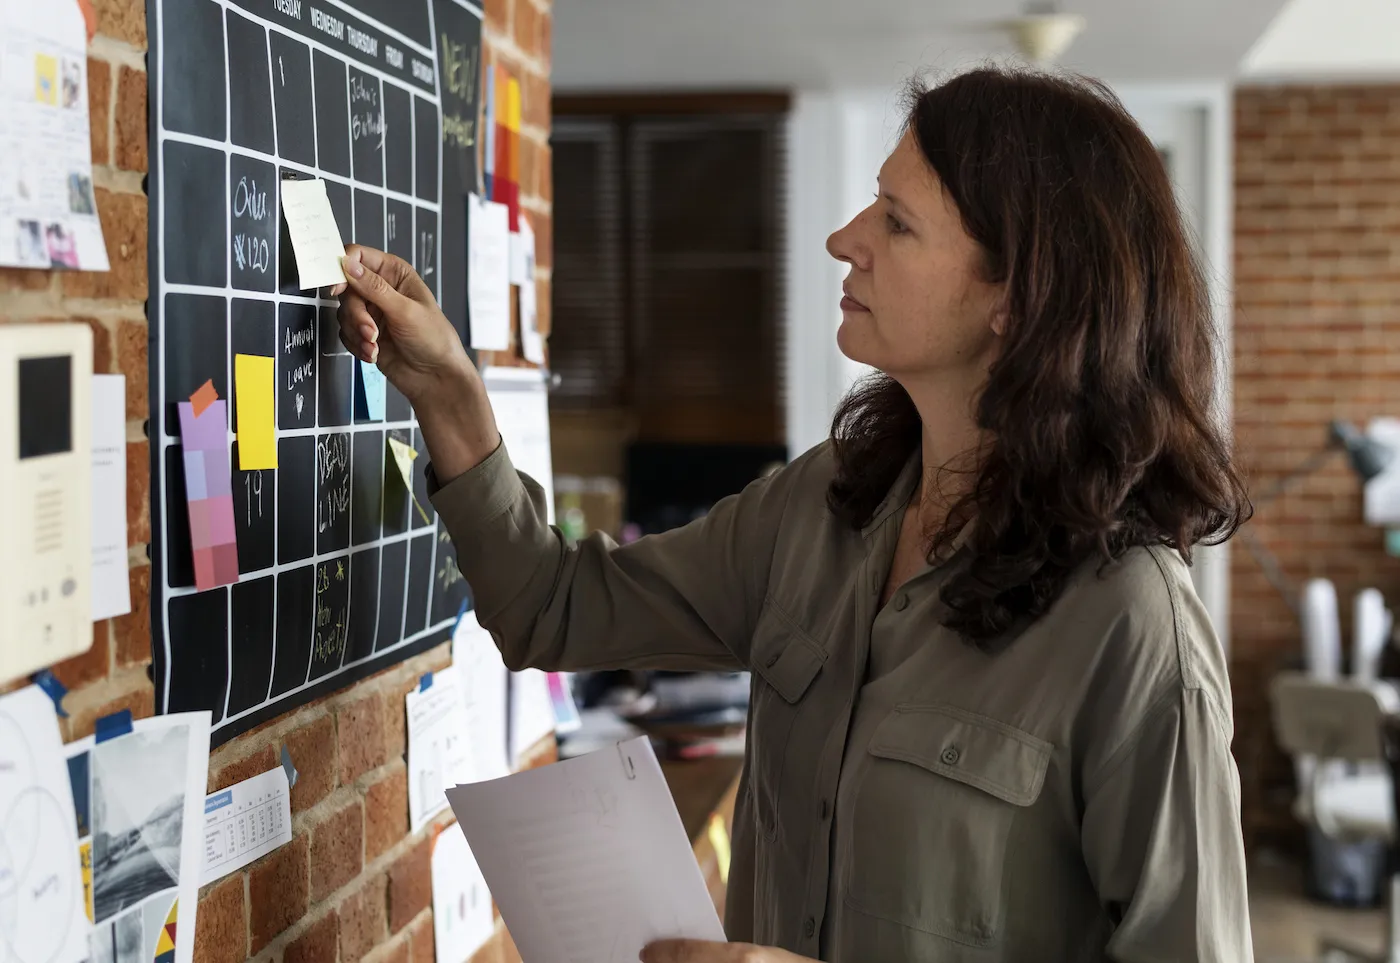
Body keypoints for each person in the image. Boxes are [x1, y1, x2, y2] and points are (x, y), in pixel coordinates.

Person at [331, 66, 1253, 962]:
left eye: (896, 223)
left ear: (1015, 297)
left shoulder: (1135, 631)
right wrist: (450, 394)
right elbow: (554, 604)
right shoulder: (823, 506)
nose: (844, 238)